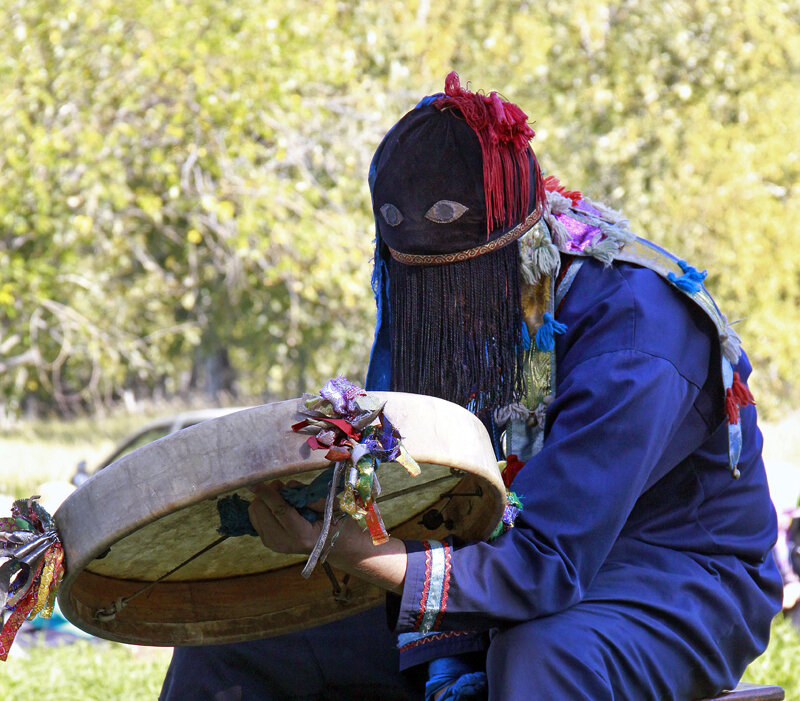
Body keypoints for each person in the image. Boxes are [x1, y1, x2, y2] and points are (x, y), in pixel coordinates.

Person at [160, 73, 782, 700]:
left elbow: (550, 564)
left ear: (512, 248)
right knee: (242, 644)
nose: (439, 309)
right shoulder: (441, 309)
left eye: (456, 284)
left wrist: (359, 555)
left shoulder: (636, 331)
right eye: (417, 287)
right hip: (495, 556)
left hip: (676, 575)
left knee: (540, 654)